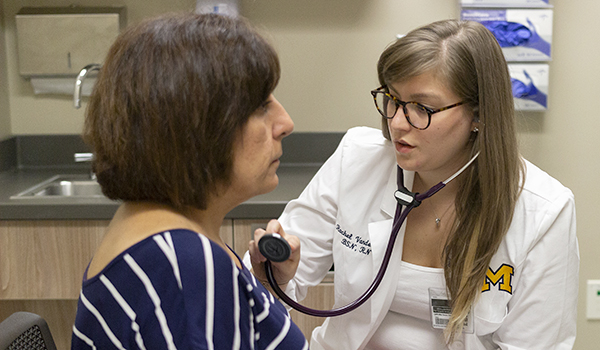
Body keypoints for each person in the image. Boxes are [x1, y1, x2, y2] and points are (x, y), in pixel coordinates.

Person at [248, 19, 578, 350]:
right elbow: (264, 291)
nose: (396, 122)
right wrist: (272, 277)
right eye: (392, 98)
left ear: (479, 115)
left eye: (422, 107)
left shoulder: (544, 212)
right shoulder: (357, 160)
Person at [70, 12, 308, 350]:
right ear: (198, 127)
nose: (285, 122)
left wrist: (260, 288)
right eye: (259, 106)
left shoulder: (164, 235)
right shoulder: (184, 265)